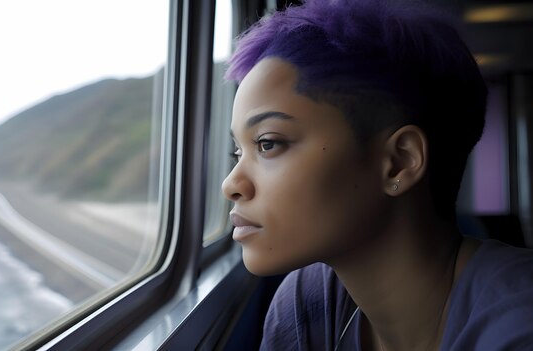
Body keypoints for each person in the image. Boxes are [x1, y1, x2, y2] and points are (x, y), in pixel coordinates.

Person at [221, 0, 533, 350]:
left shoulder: (520, 326)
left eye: (268, 144)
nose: (231, 184)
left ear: (399, 162)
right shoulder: (305, 305)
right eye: (238, 151)